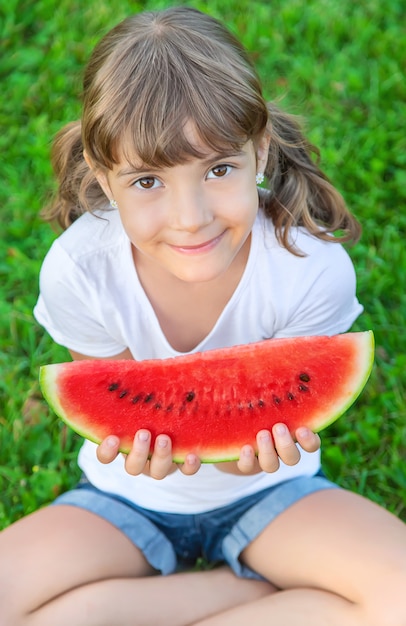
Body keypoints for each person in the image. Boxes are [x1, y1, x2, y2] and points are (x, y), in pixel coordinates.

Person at [1, 6, 405, 626]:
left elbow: (289, 407)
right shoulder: (80, 270)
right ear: (105, 182)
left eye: (218, 170)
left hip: (273, 490)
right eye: (147, 182)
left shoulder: (309, 268)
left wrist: (243, 447)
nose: (190, 217)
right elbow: (121, 401)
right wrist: (145, 442)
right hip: (124, 495)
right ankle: (250, 595)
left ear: (260, 153)